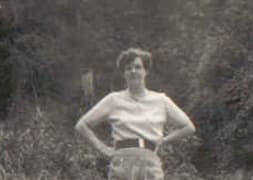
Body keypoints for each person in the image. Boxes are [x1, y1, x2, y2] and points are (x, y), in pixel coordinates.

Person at [75, 48, 196, 180]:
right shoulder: (113, 99)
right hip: (122, 163)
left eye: (138, 67)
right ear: (124, 73)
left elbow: (188, 127)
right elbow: (82, 125)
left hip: (150, 164)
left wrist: (164, 141)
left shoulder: (161, 100)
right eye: (128, 68)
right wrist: (103, 148)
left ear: (146, 71)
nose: (133, 71)